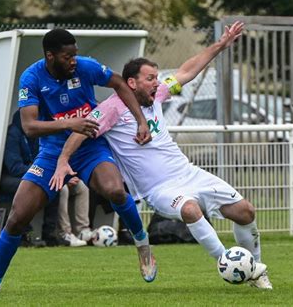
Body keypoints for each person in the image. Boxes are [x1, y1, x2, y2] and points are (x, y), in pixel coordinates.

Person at [50, 21, 273, 290]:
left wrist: (220, 45)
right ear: (131, 83)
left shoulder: (156, 96)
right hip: (159, 189)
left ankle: (257, 272)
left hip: (189, 173)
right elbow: (82, 130)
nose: (157, 83)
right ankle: (228, 263)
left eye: (157, 77)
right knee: (190, 209)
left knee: (245, 211)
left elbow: (186, 71)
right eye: (150, 78)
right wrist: (63, 160)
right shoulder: (112, 109)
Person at [0, 28, 156, 295]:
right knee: (17, 217)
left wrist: (141, 121)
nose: (74, 61)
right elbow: (29, 126)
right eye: (68, 56)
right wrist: (69, 122)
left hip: (89, 146)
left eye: (75, 54)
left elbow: (119, 84)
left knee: (115, 190)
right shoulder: (32, 77)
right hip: (51, 153)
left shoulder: (86, 67)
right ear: (50, 56)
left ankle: (142, 244)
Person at [0, 110, 59, 247]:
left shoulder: (36, 135)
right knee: (27, 189)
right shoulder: (12, 134)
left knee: (55, 186)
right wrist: (37, 173)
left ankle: (50, 234)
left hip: (29, 173)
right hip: (7, 177)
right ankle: (25, 233)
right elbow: (14, 167)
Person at [57, 176, 92, 247]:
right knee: (63, 189)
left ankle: (81, 230)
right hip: (46, 177)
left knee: (82, 186)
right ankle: (65, 233)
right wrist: (65, 179)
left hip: (63, 176)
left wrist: (75, 177)